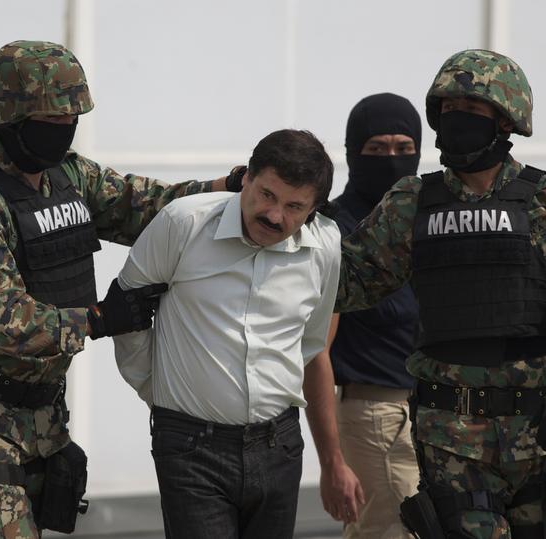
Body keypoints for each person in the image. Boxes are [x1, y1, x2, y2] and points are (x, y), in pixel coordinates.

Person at [0, 40, 225, 538]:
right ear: (9, 118)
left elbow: (148, 207)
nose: (64, 132)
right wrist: (100, 320)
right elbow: (1, 323)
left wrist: (232, 188)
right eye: (51, 123)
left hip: (43, 419)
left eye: (70, 121)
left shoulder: (68, 175)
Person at [335, 50, 546, 539]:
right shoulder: (411, 202)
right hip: (449, 435)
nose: (457, 123)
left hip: (539, 431)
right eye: (448, 111)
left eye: (471, 113)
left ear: (506, 121)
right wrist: (290, 242)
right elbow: (351, 281)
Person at [113, 129, 364, 538]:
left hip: (280, 447)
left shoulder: (325, 247)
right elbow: (127, 315)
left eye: (294, 206)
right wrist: (159, 392)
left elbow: (311, 340)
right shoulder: (183, 223)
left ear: (314, 210)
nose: (275, 215)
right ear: (245, 178)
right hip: (190, 448)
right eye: (267, 194)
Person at [317, 93, 422, 539]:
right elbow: (316, 351)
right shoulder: (336, 231)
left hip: (438, 418)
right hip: (377, 417)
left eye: (404, 148)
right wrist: (332, 461)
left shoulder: (427, 219)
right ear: (352, 153)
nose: (392, 159)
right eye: (377, 148)